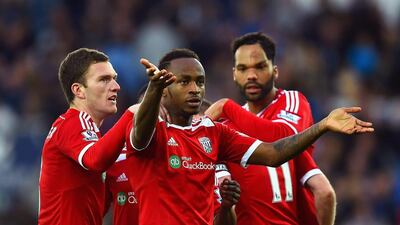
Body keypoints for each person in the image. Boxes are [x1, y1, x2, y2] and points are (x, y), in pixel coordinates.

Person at [124, 48, 373, 225]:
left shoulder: (215, 132)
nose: (195, 89)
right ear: (164, 91)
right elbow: (141, 132)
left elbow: (274, 153)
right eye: (184, 82)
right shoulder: (154, 134)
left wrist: (323, 125)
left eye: (200, 82)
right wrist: (154, 90)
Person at [206, 32, 336, 225]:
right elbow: (324, 193)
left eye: (259, 67)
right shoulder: (226, 125)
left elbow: (281, 140)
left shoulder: (291, 101)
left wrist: (225, 106)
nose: (251, 75)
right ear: (234, 74)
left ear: (275, 71)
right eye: (243, 69)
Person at [38, 48, 134, 225]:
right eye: (104, 80)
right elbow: (95, 159)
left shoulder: (86, 131)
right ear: (79, 90)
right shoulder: (74, 122)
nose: (116, 86)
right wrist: (130, 115)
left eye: (114, 79)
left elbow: (95, 206)